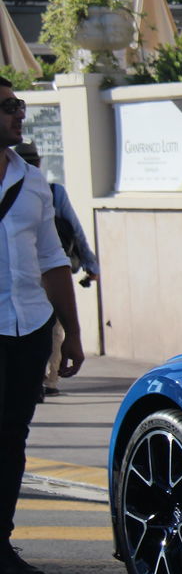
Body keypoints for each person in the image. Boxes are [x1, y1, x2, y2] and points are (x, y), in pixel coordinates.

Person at [0, 77, 84, 574]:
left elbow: (53, 260)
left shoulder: (33, 181)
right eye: (9, 107)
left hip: (28, 326)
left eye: (19, 105)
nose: (19, 114)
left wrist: (71, 333)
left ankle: (0, 542)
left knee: (11, 440)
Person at [14, 142, 98, 400]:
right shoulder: (52, 190)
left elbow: (69, 232)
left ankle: (42, 379)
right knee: (52, 327)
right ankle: (49, 380)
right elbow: (75, 229)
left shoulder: (43, 190)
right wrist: (91, 265)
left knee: (42, 326)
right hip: (42, 270)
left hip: (39, 270)